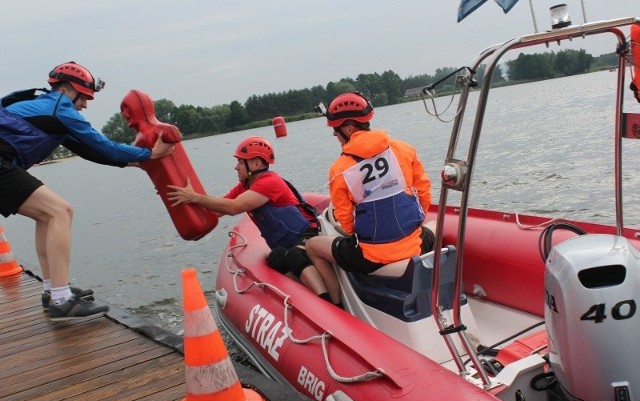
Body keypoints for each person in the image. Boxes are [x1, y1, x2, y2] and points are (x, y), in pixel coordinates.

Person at [0, 61, 175, 321]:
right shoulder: (60, 109)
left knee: (46, 215)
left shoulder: (48, 111)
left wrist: (135, 160)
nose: (85, 105)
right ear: (70, 89)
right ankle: (62, 300)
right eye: (85, 98)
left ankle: (52, 292)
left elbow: (91, 151)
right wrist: (149, 154)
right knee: (61, 211)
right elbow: (101, 144)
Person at [167, 136, 340, 305]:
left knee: (295, 256)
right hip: (289, 241)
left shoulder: (269, 182)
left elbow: (233, 207)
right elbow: (218, 211)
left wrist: (196, 198)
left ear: (256, 164)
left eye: (241, 162)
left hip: (307, 233)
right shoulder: (245, 186)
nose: (236, 167)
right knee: (276, 258)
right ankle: (306, 301)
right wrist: (184, 204)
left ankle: (327, 303)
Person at [305, 92, 435, 292]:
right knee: (434, 224)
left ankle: (335, 304)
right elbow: (424, 195)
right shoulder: (404, 149)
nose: (334, 134)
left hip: (370, 258)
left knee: (312, 246)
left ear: (348, 128)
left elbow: (347, 225)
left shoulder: (339, 169)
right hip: (415, 245)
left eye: (335, 129)